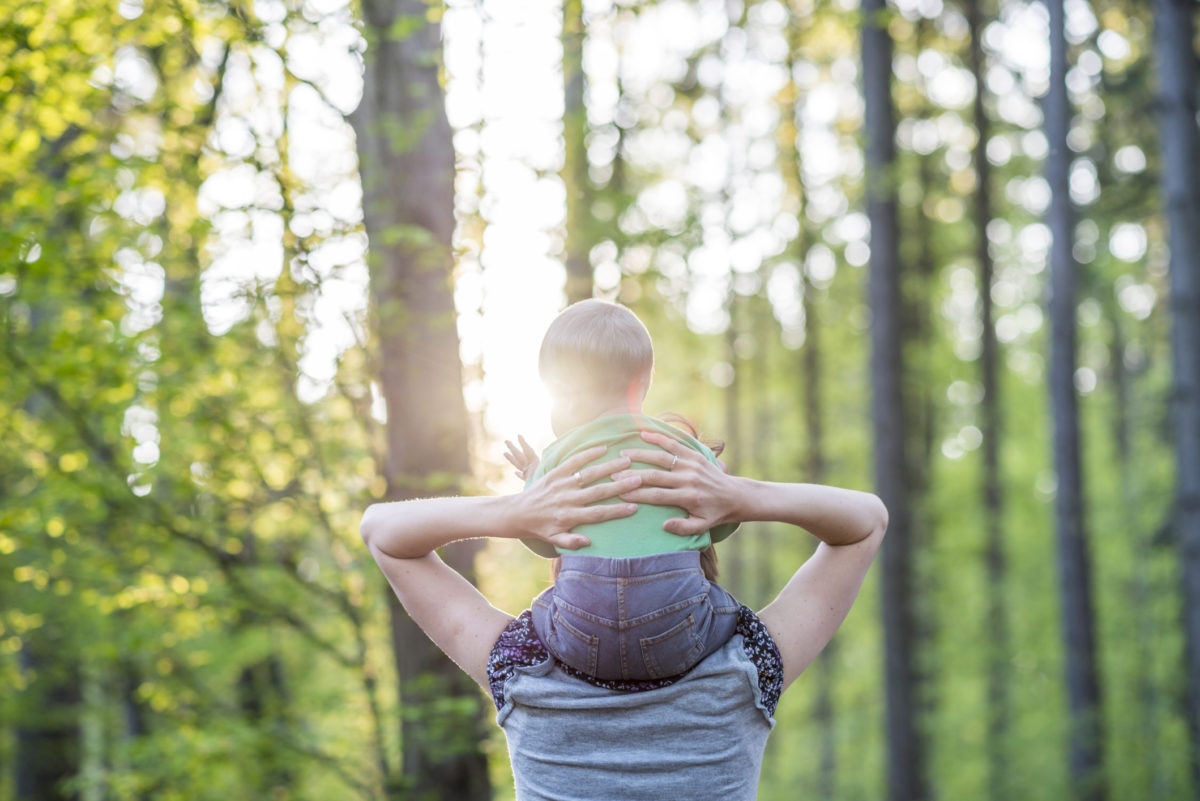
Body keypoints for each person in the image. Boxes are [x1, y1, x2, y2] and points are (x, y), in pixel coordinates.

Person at [360, 433, 887, 800]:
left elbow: (383, 533)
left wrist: (518, 512)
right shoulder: (748, 664)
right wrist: (740, 497)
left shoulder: (521, 668)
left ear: (561, 541)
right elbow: (866, 522)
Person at [502, 298, 740, 682]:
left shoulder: (558, 459)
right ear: (644, 381)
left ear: (560, 391)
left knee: (540, 610)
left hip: (581, 641)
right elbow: (723, 524)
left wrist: (534, 475)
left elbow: (542, 540)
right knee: (735, 614)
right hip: (677, 637)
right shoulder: (683, 451)